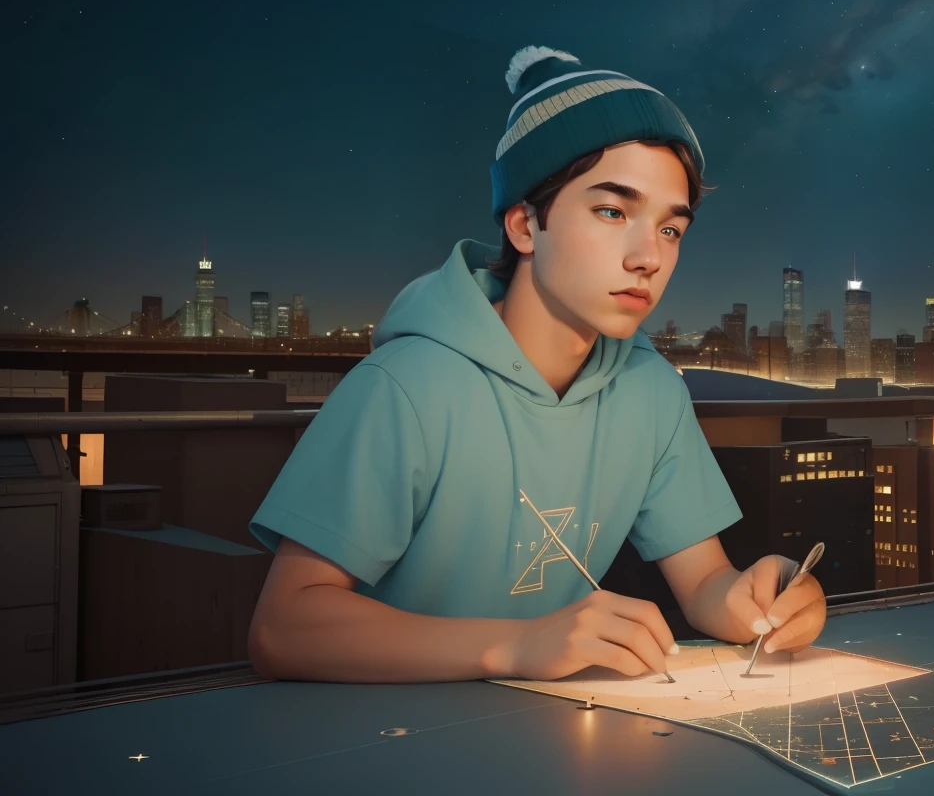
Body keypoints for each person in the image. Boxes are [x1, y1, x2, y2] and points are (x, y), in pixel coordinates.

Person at [246, 45, 826, 683]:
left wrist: (763, 600)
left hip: (553, 739)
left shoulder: (652, 392)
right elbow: (282, 628)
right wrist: (518, 646)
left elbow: (705, 584)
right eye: (612, 211)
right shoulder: (405, 387)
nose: (648, 257)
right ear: (524, 224)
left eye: (671, 229)